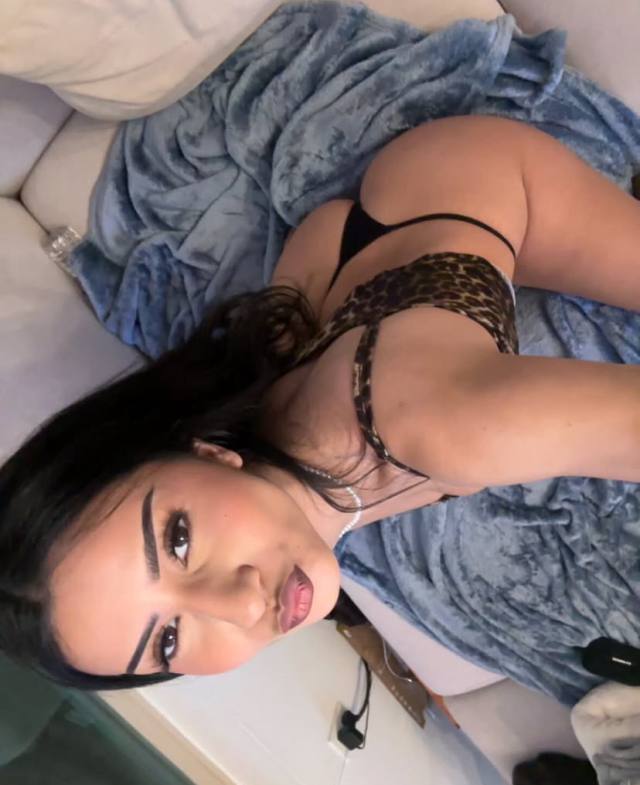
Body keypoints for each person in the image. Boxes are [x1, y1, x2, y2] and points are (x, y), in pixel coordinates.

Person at [2, 115, 640, 691]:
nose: (240, 604)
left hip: (478, 178)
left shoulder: (447, 428)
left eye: (179, 538)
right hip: (346, 250)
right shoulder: (284, 460)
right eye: (167, 640)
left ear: (207, 452)